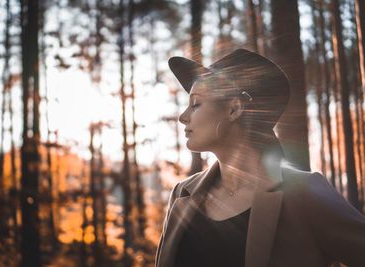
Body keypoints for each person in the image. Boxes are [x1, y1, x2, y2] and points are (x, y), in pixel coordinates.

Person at [154, 48, 365, 267]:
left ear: (234, 109)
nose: (183, 117)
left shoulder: (305, 192)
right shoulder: (182, 193)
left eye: (195, 104)